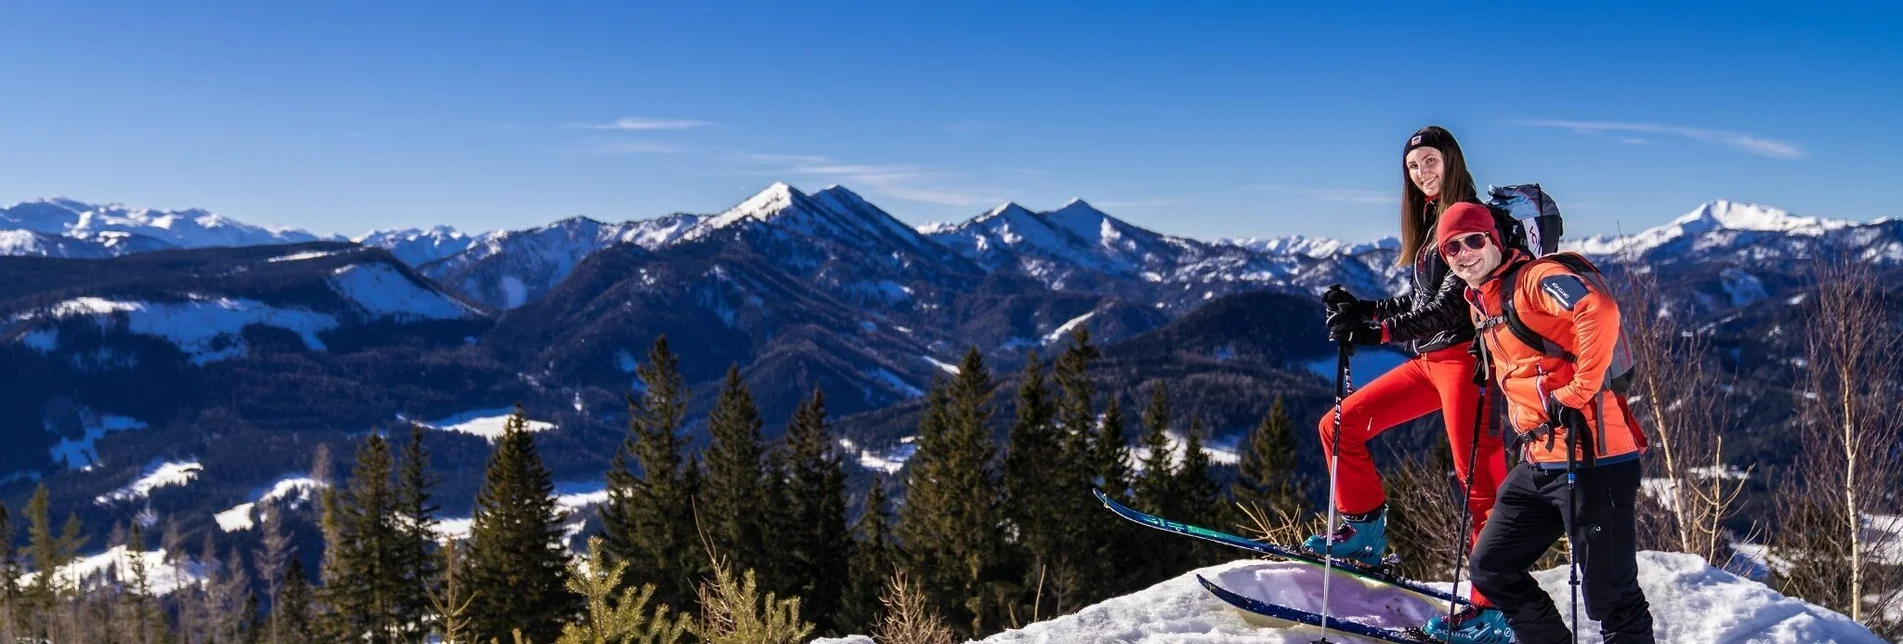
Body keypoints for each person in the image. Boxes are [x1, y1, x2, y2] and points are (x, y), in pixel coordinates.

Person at [1307, 125, 1508, 629]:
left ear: (1452, 161)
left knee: (1480, 484)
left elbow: (1444, 311)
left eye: (1430, 162)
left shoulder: (1468, 219)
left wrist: (1375, 334)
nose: (1422, 174)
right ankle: (1364, 537)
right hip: (1428, 363)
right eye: (1413, 167)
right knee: (1337, 426)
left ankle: (1496, 605)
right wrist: (1362, 309)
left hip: (1467, 362)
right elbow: (1417, 301)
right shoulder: (1428, 220)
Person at [1430, 201, 1656, 643]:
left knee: (1613, 598)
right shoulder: (1479, 301)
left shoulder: (1534, 279)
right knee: (1491, 565)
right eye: (1451, 248)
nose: (1464, 253)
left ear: (1495, 240)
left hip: (1595, 461)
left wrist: (1576, 391)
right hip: (1539, 462)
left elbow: (1598, 309)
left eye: (1474, 240)